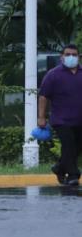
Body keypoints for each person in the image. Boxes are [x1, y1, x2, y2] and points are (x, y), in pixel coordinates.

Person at [39, 44, 82, 186]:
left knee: (77, 147)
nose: (71, 57)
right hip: (61, 120)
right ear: (62, 57)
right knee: (69, 144)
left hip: (79, 120)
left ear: (79, 57)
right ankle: (73, 175)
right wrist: (41, 117)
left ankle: (59, 168)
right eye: (68, 54)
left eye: (74, 55)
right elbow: (43, 96)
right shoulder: (53, 75)